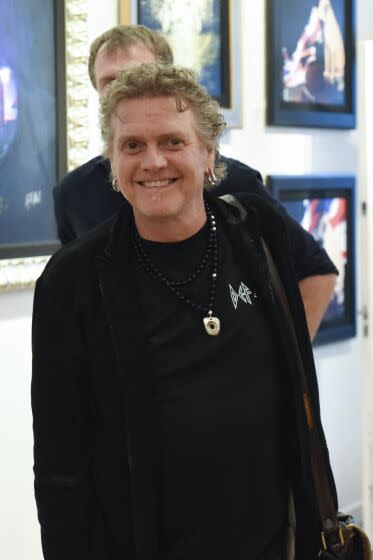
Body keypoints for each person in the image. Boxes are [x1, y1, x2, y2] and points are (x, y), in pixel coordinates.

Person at [32, 62, 338, 560]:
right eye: (132, 146)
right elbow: (61, 467)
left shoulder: (257, 232)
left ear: (208, 151)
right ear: (112, 159)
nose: (152, 162)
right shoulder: (74, 280)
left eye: (172, 142)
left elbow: (299, 401)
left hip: (273, 542)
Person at [53, 24, 337, 340]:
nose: (128, 88)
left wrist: (291, 375)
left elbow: (314, 272)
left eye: (139, 75)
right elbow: (76, 301)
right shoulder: (73, 194)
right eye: (111, 82)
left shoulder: (237, 185)